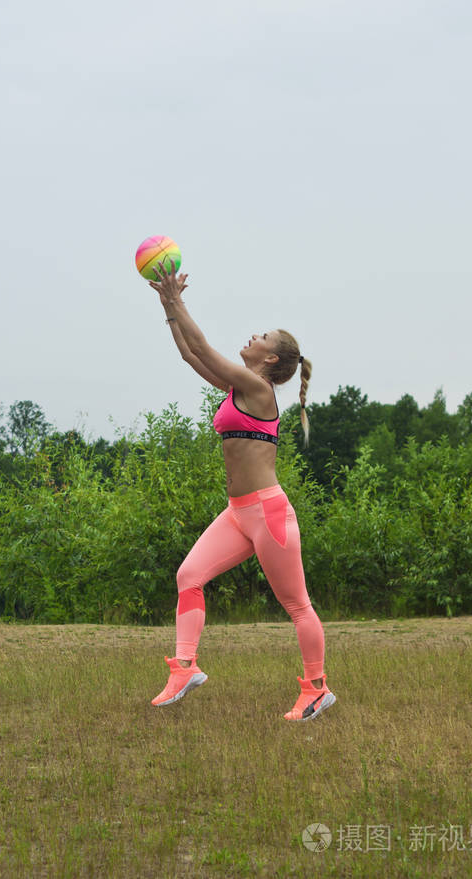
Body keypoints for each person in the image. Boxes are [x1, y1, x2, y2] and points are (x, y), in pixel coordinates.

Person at [148, 261, 335, 721]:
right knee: (188, 576)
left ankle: (316, 689)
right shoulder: (238, 388)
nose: (253, 336)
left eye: (261, 337)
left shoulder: (256, 387)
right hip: (236, 513)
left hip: (268, 514)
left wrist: (176, 299)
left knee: (296, 604)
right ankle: (184, 668)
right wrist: (167, 308)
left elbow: (206, 349)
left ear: (270, 360)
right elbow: (193, 356)